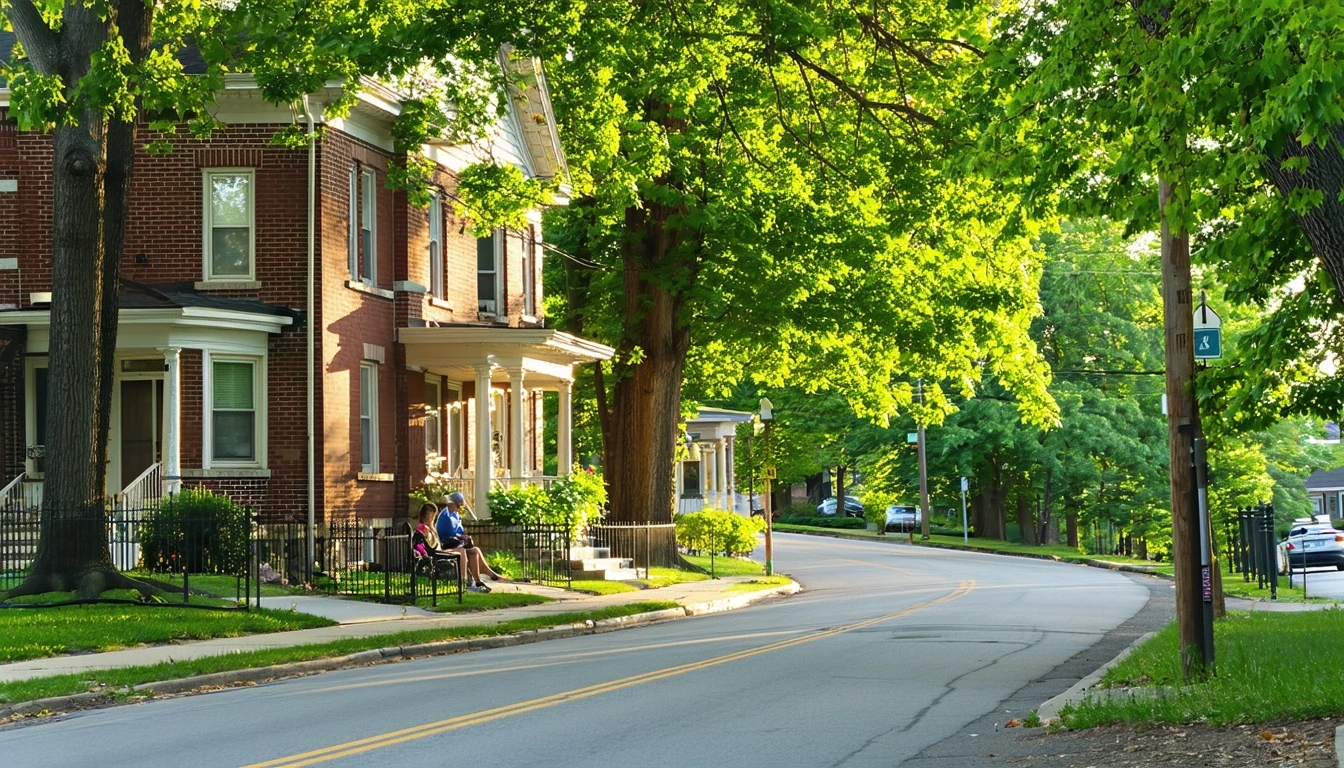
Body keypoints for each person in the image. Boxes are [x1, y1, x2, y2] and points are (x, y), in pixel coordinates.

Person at [435, 496, 506, 589]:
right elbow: (448, 533)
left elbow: (457, 530)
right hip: (446, 545)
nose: (459, 509)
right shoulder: (446, 516)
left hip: (453, 543)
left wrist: (461, 536)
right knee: (463, 551)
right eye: (458, 506)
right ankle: (466, 581)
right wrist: (459, 536)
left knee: (475, 550)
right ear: (452, 504)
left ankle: (477, 580)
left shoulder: (453, 514)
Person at [412, 503, 479, 590]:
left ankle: (475, 581)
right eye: (430, 515)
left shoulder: (431, 527)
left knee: (473, 550)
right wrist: (424, 554)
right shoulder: (422, 527)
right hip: (435, 553)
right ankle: (463, 582)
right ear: (424, 515)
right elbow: (419, 545)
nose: (432, 518)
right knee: (461, 552)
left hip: (440, 550)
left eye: (433, 515)